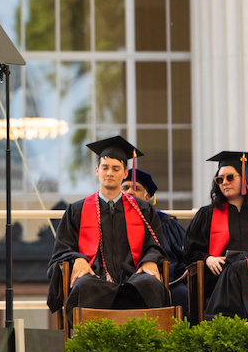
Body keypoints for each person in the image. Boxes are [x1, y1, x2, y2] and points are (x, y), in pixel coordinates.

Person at [47, 136, 168, 318]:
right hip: (95, 278)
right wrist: (77, 258)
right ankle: (87, 343)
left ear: (125, 174)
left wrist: (150, 259)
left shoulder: (143, 210)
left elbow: (155, 244)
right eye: (105, 168)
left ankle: (148, 343)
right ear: (97, 170)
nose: (109, 173)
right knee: (83, 286)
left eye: (115, 168)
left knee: (151, 285)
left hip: (133, 276)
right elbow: (62, 249)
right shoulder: (77, 210)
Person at [183, 152, 248, 299]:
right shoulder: (206, 214)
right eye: (220, 179)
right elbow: (190, 250)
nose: (224, 182)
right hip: (220, 278)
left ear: (245, 178)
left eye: (230, 177)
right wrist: (208, 258)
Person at [122, 168, 189, 314]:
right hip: (123, 284)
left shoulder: (165, 222)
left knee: (182, 294)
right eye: (125, 188)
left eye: (136, 188)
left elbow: (183, 256)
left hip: (167, 283)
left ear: (147, 198)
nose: (129, 192)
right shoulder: (111, 223)